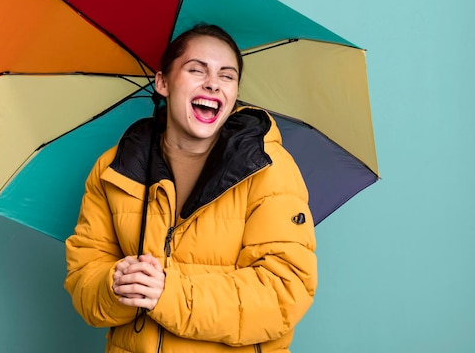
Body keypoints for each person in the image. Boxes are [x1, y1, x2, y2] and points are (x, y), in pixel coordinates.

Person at [64, 24, 317, 352]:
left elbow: (284, 292)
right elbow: (85, 275)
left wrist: (169, 293)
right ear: (163, 83)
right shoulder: (114, 171)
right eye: (197, 70)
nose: (213, 83)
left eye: (227, 76)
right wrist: (114, 285)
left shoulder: (270, 169)